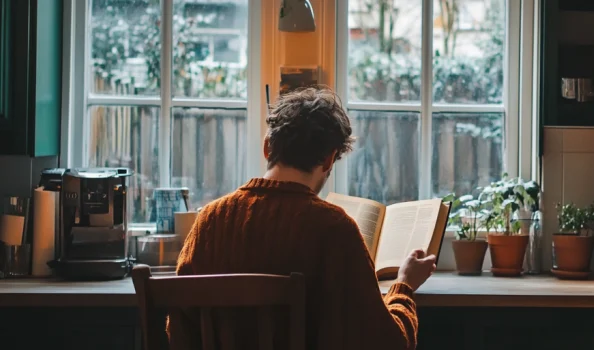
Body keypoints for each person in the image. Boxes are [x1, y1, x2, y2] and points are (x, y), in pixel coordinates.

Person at [167, 87, 437, 350]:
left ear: (267, 147)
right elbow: (388, 343)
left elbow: (179, 330)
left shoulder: (209, 221)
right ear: (330, 160)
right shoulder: (334, 228)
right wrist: (404, 285)